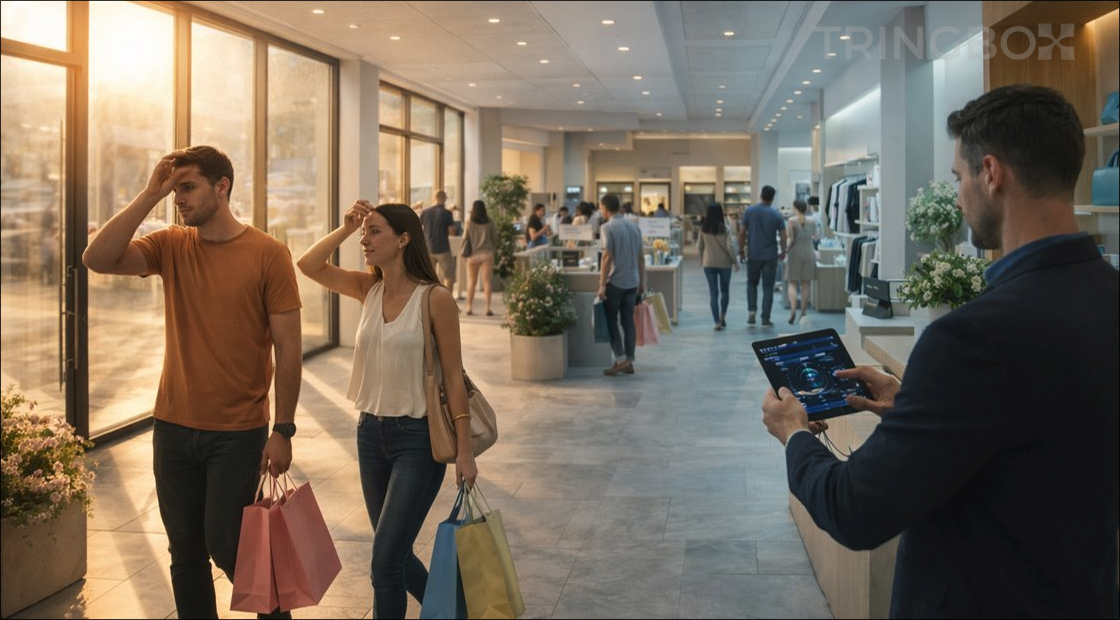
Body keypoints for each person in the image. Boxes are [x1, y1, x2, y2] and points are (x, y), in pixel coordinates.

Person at [761, 84, 1119, 618]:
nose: (957, 197)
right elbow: (1037, 433)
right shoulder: (1107, 295)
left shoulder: (972, 336)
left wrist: (793, 434)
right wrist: (918, 406)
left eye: (958, 177)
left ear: (991, 174)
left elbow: (856, 509)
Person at [82, 146, 302, 620]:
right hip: (174, 426)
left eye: (187, 187)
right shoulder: (171, 245)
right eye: (174, 189)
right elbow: (97, 257)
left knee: (228, 544)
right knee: (185, 553)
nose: (177, 199)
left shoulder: (269, 254)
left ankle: (275, 611)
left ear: (221, 187)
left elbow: (288, 347)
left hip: (238, 430)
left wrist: (283, 428)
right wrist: (149, 192)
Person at [296, 200, 478, 619]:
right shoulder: (368, 290)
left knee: (383, 563)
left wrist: (465, 452)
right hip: (369, 435)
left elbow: (454, 379)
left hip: (417, 440)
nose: (365, 239)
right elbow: (308, 264)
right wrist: (345, 227)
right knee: (391, 554)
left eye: (374, 231)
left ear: (403, 239)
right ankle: (454, 611)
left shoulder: (436, 299)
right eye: (364, 232)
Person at [597, 193, 645, 375]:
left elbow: (607, 256)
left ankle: (620, 359)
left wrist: (602, 284)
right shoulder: (634, 227)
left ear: (604, 208)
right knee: (628, 321)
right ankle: (629, 360)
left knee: (610, 320)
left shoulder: (607, 227)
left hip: (616, 282)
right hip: (632, 281)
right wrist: (642, 281)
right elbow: (641, 258)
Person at [737, 185, 786, 327]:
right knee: (768, 287)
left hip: (754, 254)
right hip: (770, 256)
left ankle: (752, 311)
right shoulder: (777, 215)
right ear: (772, 198)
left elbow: (742, 233)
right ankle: (765, 317)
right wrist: (783, 251)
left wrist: (741, 250)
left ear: (761, 195)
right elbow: (783, 236)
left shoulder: (749, 211)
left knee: (752, 283)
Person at [697, 202, 739, 330]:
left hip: (708, 263)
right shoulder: (725, 228)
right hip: (724, 264)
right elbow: (730, 246)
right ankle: (722, 317)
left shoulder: (703, 228)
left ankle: (716, 322)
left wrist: (701, 259)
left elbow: (700, 246)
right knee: (725, 291)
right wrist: (735, 261)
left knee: (713, 292)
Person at [783, 198, 818, 325]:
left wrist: (785, 250)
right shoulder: (812, 220)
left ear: (795, 208)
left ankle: (793, 310)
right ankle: (803, 312)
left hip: (794, 254)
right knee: (806, 284)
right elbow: (816, 237)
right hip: (809, 253)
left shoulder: (791, 221)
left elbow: (791, 239)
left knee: (792, 283)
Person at [462, 199, 497, 316]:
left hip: (473, 255)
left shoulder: (469, 222)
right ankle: (488, 308)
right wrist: (492, 249)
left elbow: (465, 238)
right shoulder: (490, 222)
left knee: (472, 281)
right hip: (487, 254)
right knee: (487, 281)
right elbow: (494, 239)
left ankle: (469, 307)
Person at [420, 190, 456, 289]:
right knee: (449, 277)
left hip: (428, 248)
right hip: (443, 248)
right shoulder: (447, 213)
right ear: (444, 198)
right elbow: (452, 232)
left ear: (434, 198)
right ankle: (447, 300)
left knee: (429, 277)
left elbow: (419, 228)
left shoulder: (425, 212)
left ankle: (429, 298)